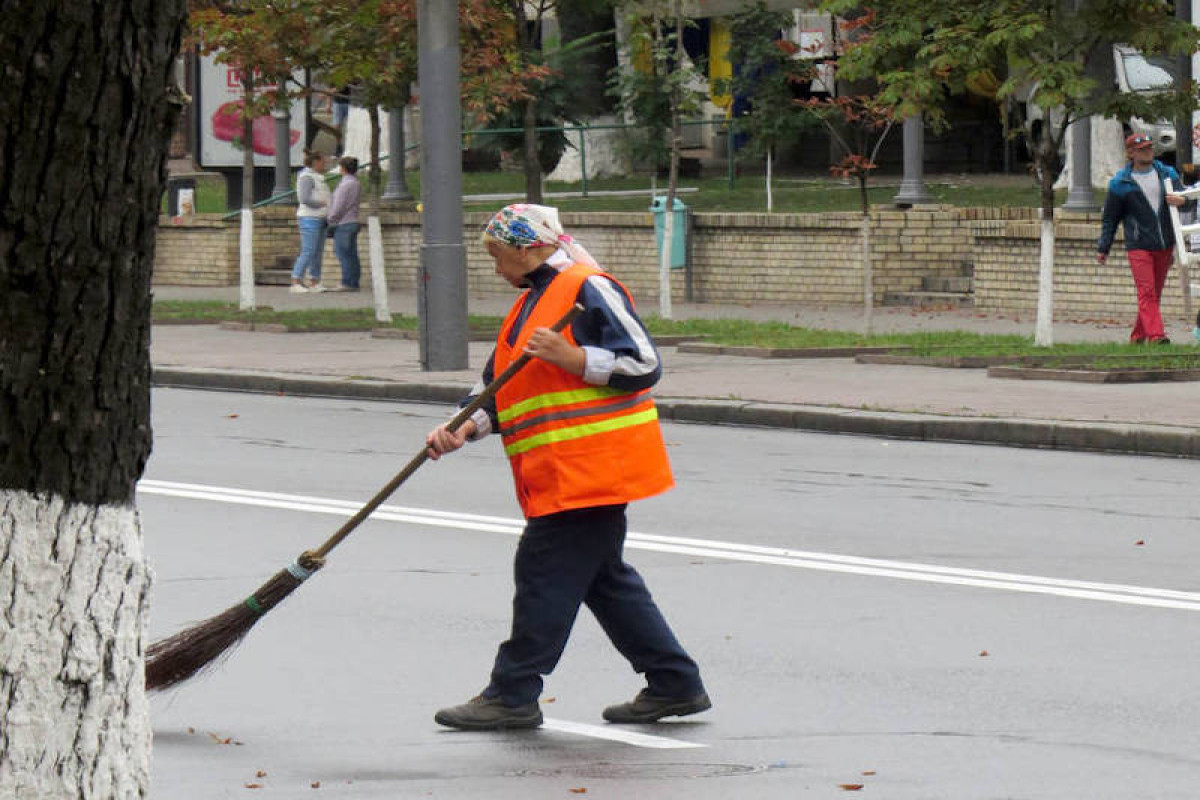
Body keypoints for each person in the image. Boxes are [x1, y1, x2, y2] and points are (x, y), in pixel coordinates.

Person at [425, 204, 710, 731]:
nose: (495, 267)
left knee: (542, 574)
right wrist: (462, 425)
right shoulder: (529, 304)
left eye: (499, 255)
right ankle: (674, 683)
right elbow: (500, 385)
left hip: (593, 469)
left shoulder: (588, 287)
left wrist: (575, 359)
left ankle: (512, 693)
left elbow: (645, 364)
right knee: (604, 580)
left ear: (530, 247)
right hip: (563, 471)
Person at [1096, 133, 1188, 344]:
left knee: (1154, 293)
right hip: (1138, 245)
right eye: (1142, 149)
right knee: (1147, 291)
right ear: (1131, 153)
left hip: (1164, 244)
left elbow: (1187, 200)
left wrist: (1182, 201)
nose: (1148, 152)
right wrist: (1103, 247)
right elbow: (1110, 219)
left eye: (1149, 147)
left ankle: (1138, 336)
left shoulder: (1167, 174)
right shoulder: (1120, 183)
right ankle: (1157, 336)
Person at [291, 149, 330, 293]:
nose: (324, 164)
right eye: (323, 162)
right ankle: (296, 280)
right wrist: (322, 203)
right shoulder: (306, 177)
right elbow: (305, 198)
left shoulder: (318, 177)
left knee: (317, 252)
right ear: (315, 162)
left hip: (321, 217)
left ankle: (315, 281)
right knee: (308, 250)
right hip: (309, 218)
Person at [326, 156, 362, 292]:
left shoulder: (345, 185)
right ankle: (353, 281)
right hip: (353, 220)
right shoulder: (356, 183)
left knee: (343, 253)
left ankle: (347, 282)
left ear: (343, 168)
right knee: (352, 254)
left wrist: (331, 219)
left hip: (343, 223)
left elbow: (339, 205)